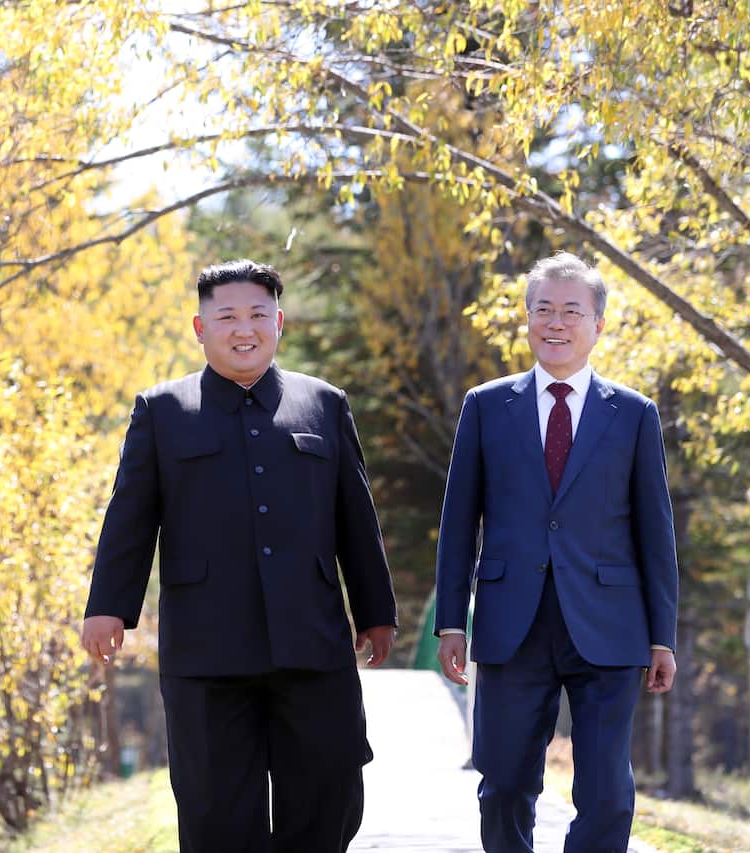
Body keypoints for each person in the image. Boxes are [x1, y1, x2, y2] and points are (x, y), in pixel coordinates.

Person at [82, 258, 398, 853]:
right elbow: (129, 517)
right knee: (215, 813)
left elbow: (355, 518)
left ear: (279, 322)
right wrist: (108, 608)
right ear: (201, 328)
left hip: (313, 643)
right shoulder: (163, 411)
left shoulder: (324, 404)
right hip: (207, 655)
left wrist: (376, 611)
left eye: (257, 314)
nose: (243, 328)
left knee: (329, 798)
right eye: (226, 316)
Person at [434, 252, 678, 853]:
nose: (557, 322)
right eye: (543, 309)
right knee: (506, 785)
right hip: (510, 624)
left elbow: (655, 531)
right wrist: (449, 621)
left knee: (607, 795)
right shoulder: (487, 406)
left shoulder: (634, 414)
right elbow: (459, 520)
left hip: (609, 627)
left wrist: (662, 634)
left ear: (598, 324)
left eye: (573, 310)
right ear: (527, 320)